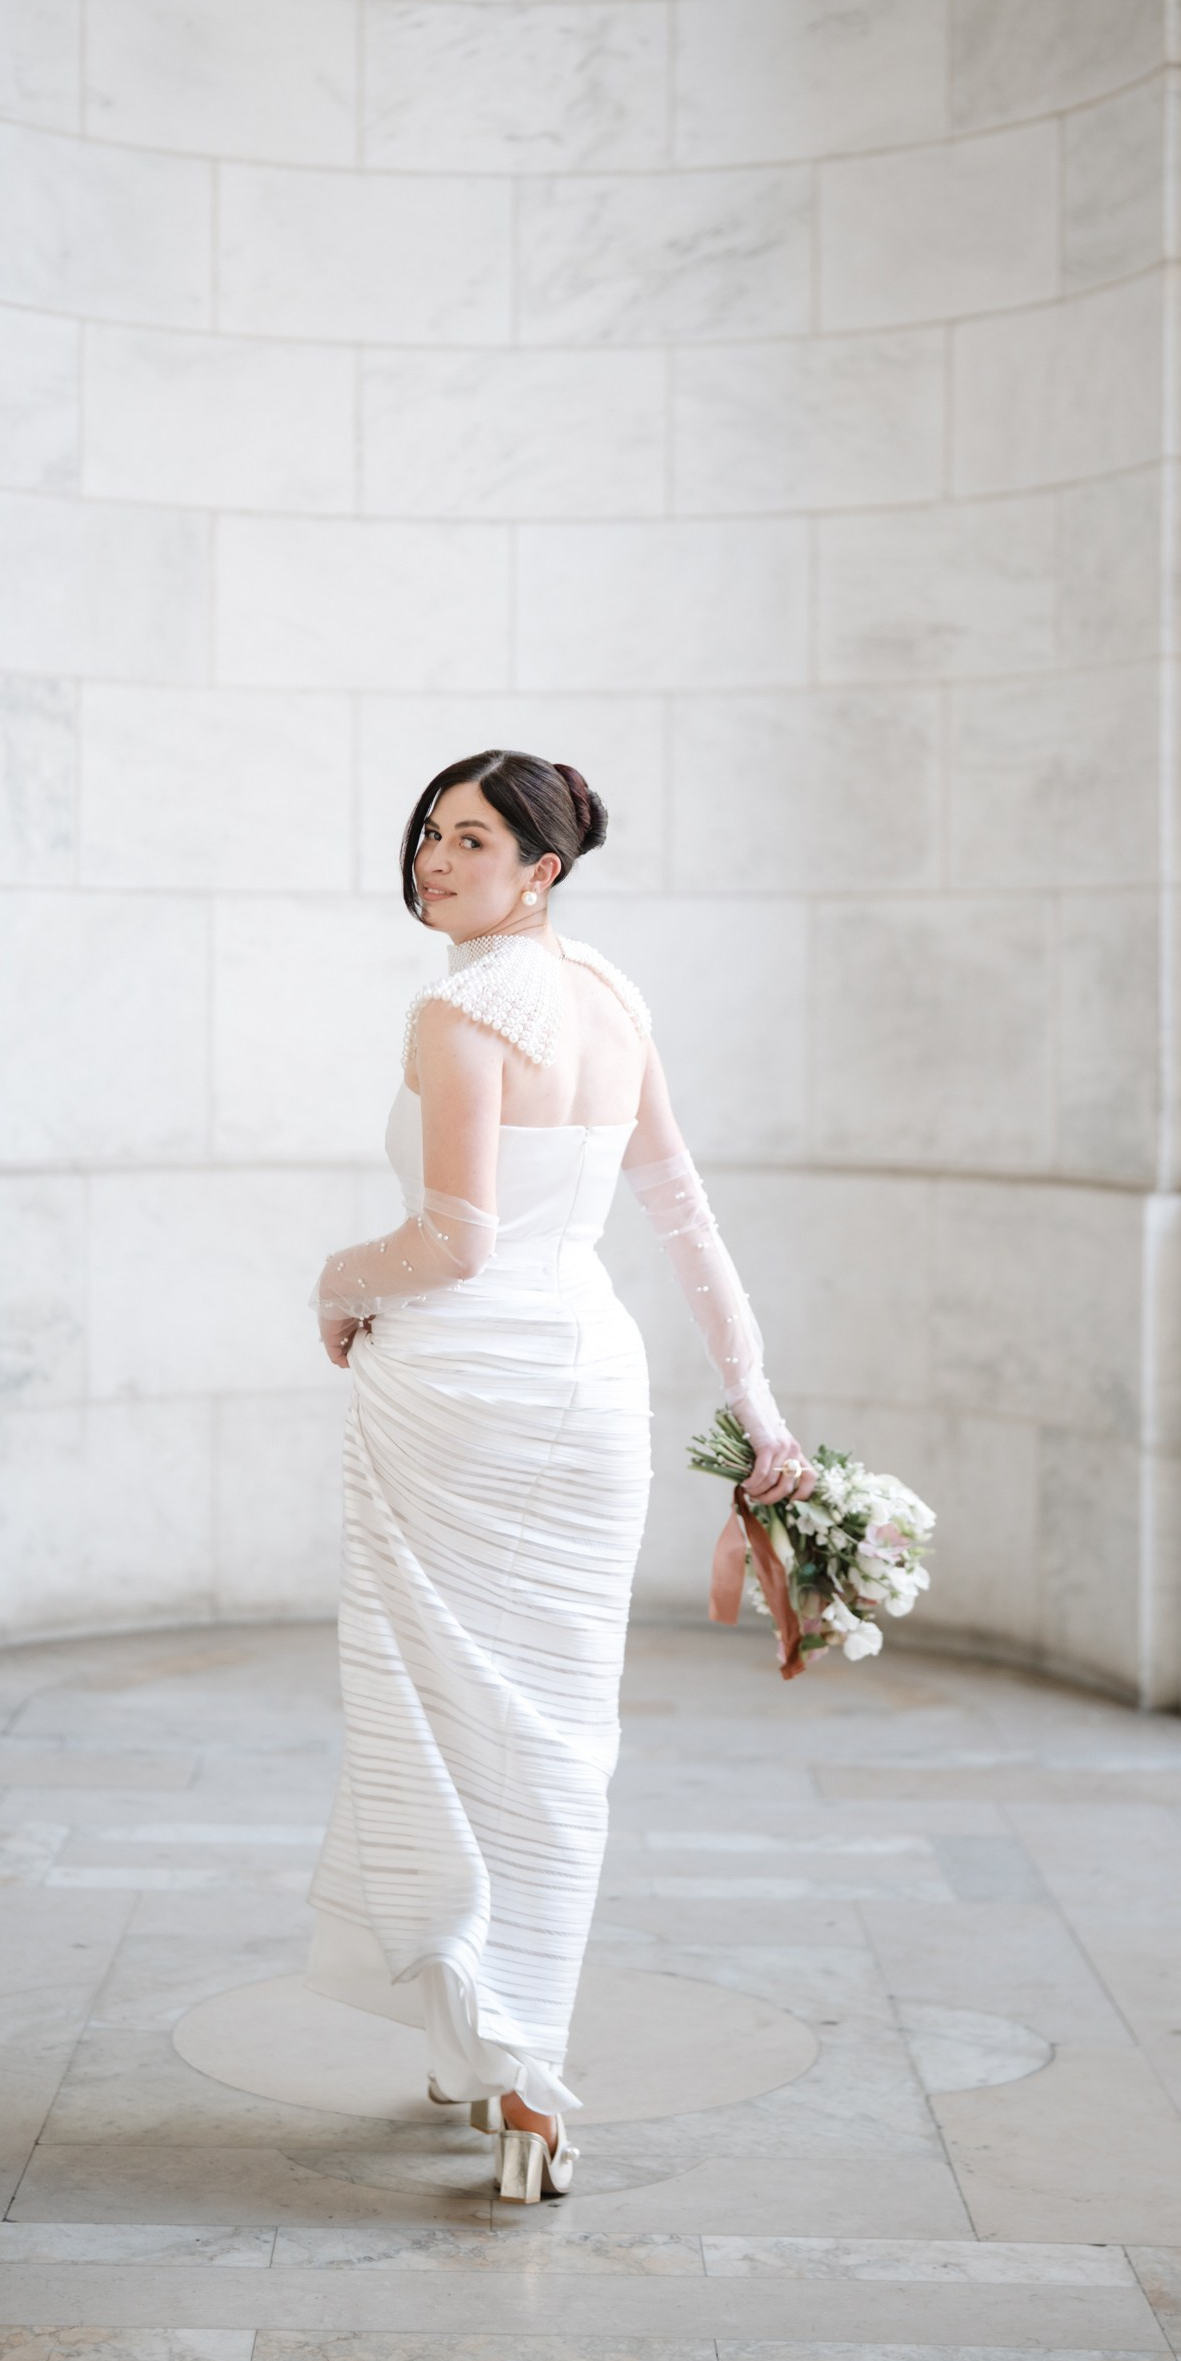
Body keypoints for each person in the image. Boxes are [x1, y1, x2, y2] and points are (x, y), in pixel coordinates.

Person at [305, 751, 807, 2204]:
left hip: (464, 1384)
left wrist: (337, 1279)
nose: (434, 860)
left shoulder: (461, 1012)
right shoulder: (612, 999)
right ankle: (507, 2059)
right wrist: (755, 1403)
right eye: (427, 834)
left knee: (453, 1714)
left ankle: (508, 2055)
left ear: (544, 870)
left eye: (472, 840)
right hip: (588, 1380)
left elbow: (453, 1240)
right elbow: (683, 1216)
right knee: (553, 1729)